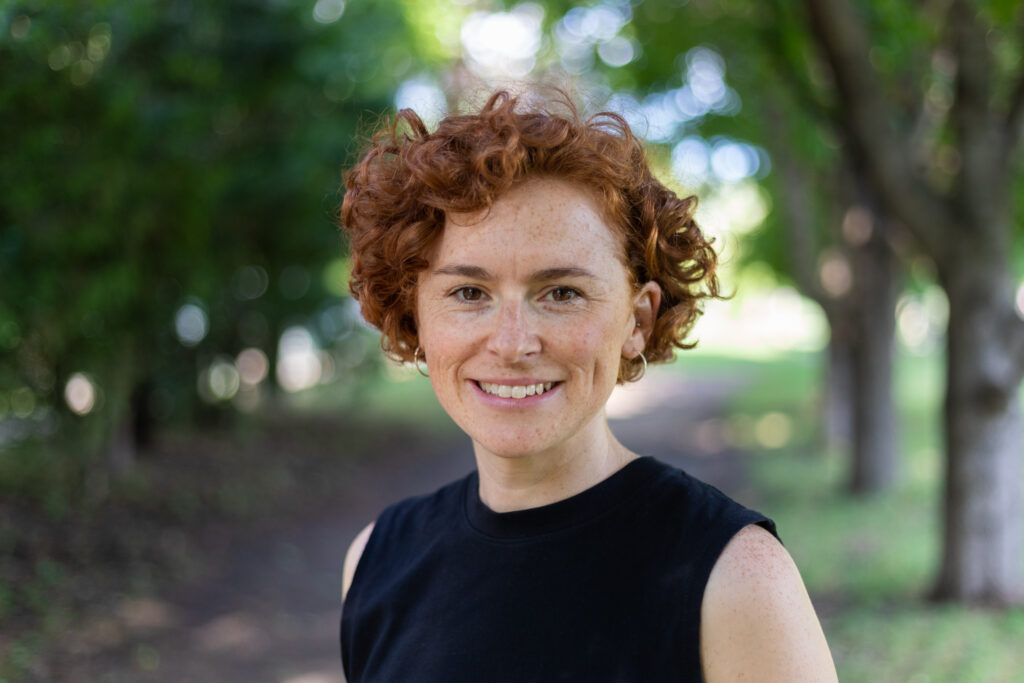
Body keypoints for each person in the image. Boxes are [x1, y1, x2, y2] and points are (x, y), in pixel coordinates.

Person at [337, 89, 837, 682]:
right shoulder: (375, 560)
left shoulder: (734, 577)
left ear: (637, 319)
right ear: (416, 312)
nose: (512, 343)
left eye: (562, 293)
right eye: (469, 293)